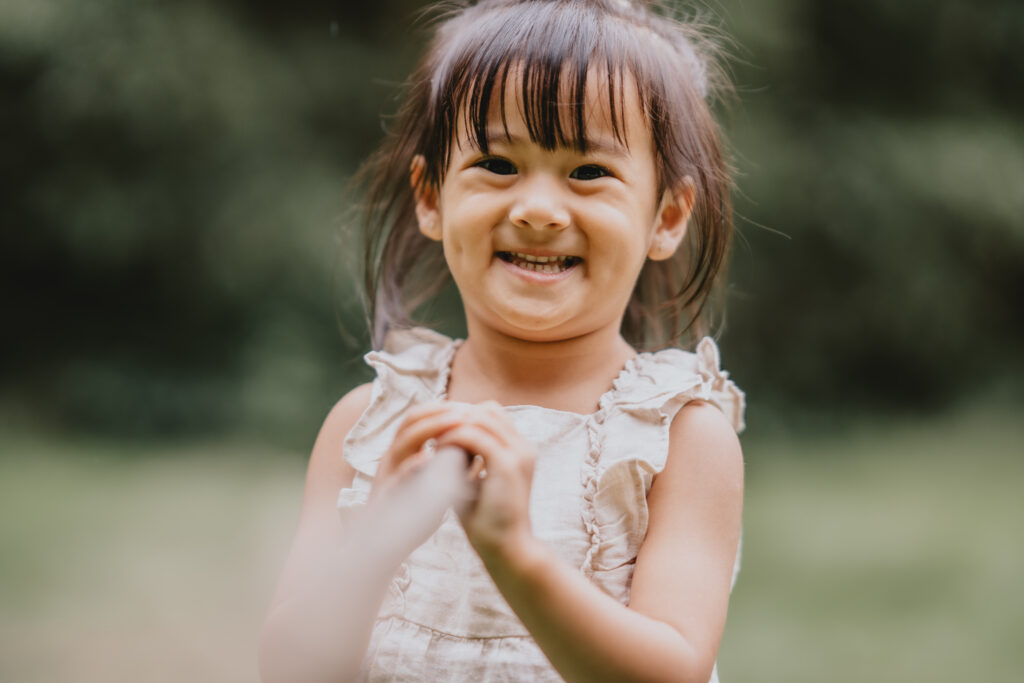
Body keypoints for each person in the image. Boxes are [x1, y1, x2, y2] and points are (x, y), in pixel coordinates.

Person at [259, 1, 746, 681]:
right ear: (431, 197)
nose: (539, 209)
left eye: (587, 172)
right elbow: (290, 669)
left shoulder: (679, 438)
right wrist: (375, 542)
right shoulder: (366, 428)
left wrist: (514, 553)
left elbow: (670, 671)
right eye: (496, 163)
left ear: (666, 216)